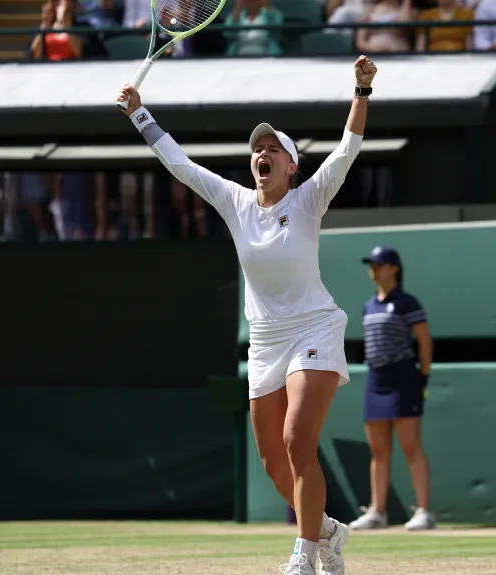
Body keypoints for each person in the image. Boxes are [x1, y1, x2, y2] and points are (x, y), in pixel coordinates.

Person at [117, 55, 379, 575]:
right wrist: (140, 115)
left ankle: (304, 556)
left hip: (314, 327)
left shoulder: (309, 199)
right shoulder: (235, 203)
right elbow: (181, 167)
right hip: (264, 339)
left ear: (291, 164)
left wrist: (361, 88)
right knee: (272, 463)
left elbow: (348, 148)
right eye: (256, 148)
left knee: (296, 439)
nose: (261, 153)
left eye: (272, 148)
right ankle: (327, 532)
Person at [348, 245, 436, 531]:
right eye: (371, 265)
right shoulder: (368, 304)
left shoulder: (407, 303)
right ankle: (378, 512)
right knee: (379, 451)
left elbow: (424, 341)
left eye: (379, 264)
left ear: (394, 268)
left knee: (411, 448)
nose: (373, 270)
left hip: (404, 379)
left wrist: (422, 377)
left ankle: (424, 512)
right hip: (376, 380)